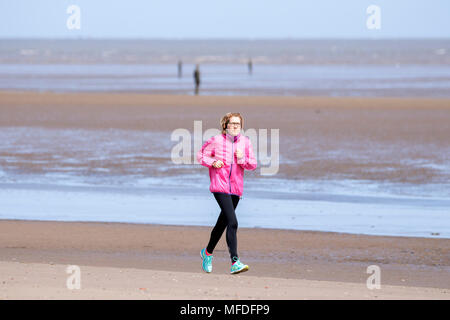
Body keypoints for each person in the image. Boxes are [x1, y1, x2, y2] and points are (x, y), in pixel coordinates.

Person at [197, 112, 257, 274]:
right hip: (220, 187)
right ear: (225, 126)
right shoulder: (216, 140)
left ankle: (207, 252)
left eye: (238, 124)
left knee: (222, 223)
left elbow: (253, 164)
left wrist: (242, 158)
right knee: (233, 222)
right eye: (232, 124)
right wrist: (213, 162)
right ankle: (235, 262)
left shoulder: (245, 142)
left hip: (236, 190)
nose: (236, 127)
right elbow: (200, 155)